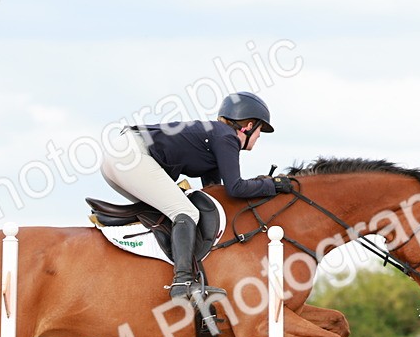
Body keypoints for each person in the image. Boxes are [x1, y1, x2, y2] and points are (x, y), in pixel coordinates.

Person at [100, 91, 293, 301]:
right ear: (248, 125)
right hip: (132, 156)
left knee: (168, 214)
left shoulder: (216, 136)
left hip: (119, 155)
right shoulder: (227, 137)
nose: (259, 137)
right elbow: (236, 188)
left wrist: (261, 186)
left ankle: (152, 271)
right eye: (260, 130)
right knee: (186, 212)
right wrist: (272, 185)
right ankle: (182, 281)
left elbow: (215, 192)